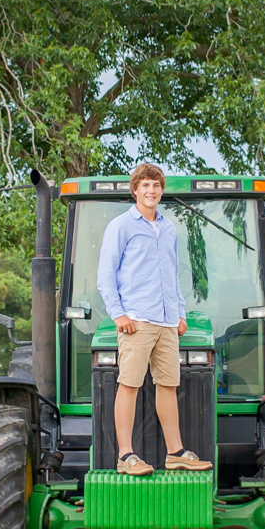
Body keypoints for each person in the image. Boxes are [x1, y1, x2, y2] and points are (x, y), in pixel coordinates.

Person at [97, 163, 213, 476]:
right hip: (136, 319)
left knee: (168, 386)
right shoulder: (121, 226)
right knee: (130, 385)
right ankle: (126, 456)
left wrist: (180, 313)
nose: (151, 191)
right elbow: (106, 274)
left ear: (161, 190)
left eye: (156, 186)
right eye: (145, 185)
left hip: (166, 322)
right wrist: (118, 314)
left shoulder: (168, 228)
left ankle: (175, 453)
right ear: (135, 190)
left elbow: (171, 275)